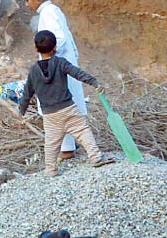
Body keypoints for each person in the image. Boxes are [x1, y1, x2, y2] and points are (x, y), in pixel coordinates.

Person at [19, 30, 111, 177]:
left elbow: (27, 93)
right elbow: (77, 73)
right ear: (55, 47)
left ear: (36, 49)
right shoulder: (60, 62)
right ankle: (95, 157)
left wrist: (21, 111)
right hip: (68, 108)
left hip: (50, 114)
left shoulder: (33, 71)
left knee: (51, 143)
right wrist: (93, 82)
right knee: (82, 130)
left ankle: (51, 170)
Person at [22, 0, 86, 159]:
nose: (27, 5)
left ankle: (66, 150)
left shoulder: (48, 12)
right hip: (62, 67)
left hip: (57, 70)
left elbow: (60, 39)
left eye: (27, 0)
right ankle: (70, 146)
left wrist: (49, 63)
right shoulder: (52, 10)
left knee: (58, 107)